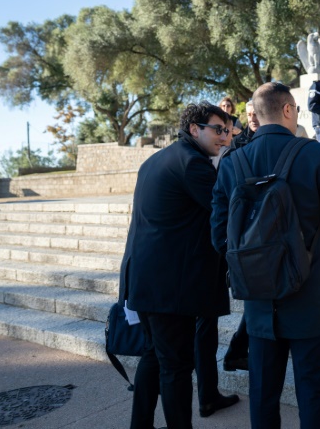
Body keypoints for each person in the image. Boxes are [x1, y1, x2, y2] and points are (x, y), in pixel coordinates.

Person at [211, 82, 320, 428]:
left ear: (256, 114)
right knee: (313, 394)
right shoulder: (315, 154)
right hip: (310, 297)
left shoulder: (232, 162)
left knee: (263, 396)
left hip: (259, 302)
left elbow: (220, 237)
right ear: (289, 109)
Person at [119, 102, 237, 429]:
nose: (225, 137)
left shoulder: (156, 160)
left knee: (155, 356)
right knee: (176, 366)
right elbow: (225, 210)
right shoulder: (192, 163)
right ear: (194, 129)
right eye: (218, 129)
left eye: (228, 130)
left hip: (145, 279)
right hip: (169, 287)